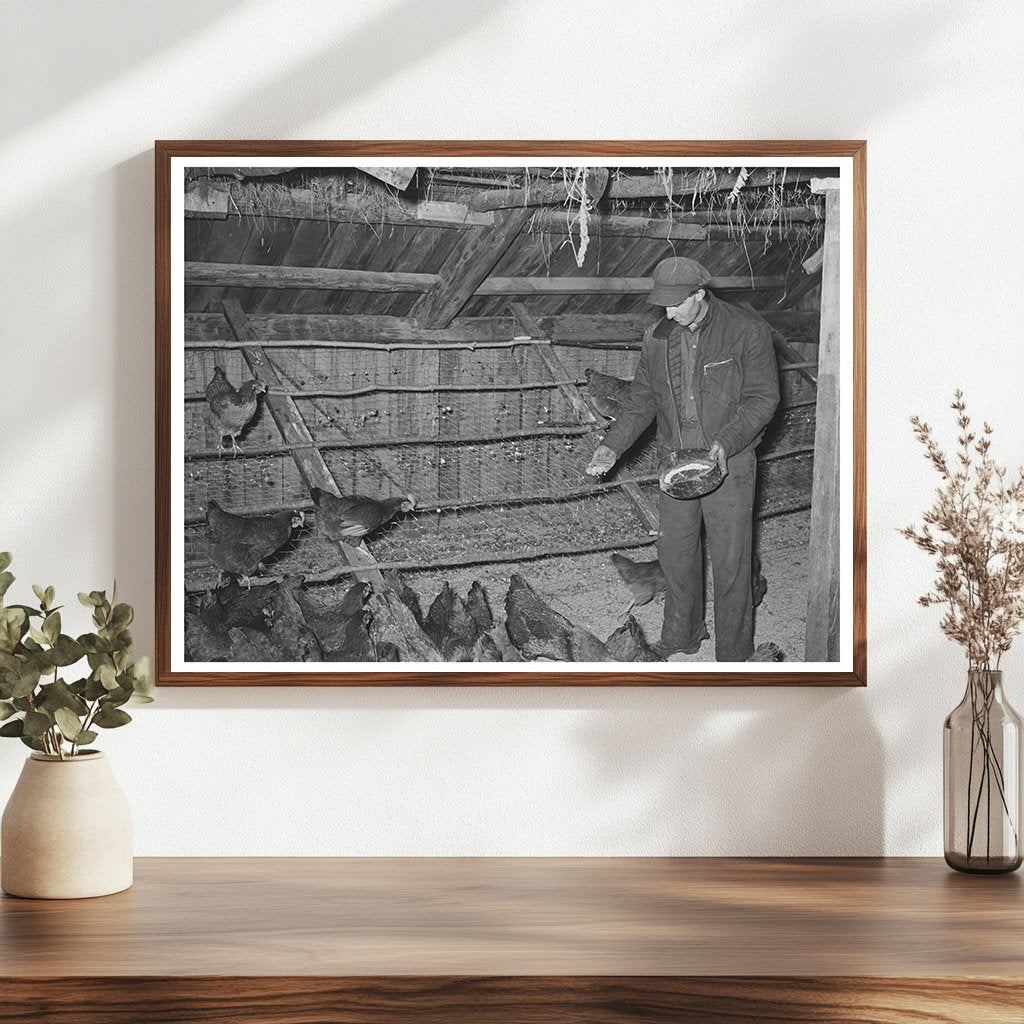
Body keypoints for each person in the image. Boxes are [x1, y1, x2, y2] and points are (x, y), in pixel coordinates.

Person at [586, 256, 780, 661]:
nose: (669, 312)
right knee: (675, 555)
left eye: (677, 303)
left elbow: (764, 397)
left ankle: (733, 652)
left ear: (699, 294)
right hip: (675, 463)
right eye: (664, 305)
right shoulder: (657, 337)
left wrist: (727, 442)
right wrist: (613, 445)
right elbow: (641, 400)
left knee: (731, 561)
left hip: (731, 460)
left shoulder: (746, 330)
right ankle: (681, 636)